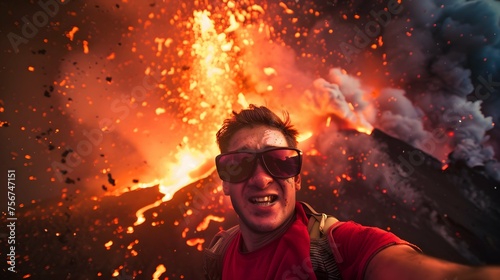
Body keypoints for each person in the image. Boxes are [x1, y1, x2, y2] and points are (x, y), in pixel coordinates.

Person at [203, 104, 500, 280]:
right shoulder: (221, 251)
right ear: (224, 181)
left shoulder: (340, 247)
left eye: (280, 161)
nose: (260, 178)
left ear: (296, 177)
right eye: (240, 164)